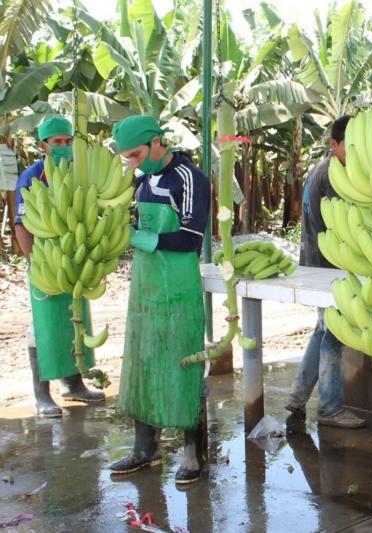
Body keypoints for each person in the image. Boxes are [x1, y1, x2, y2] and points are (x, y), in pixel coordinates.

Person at [108, 115, 211, 484]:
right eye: (128, 158)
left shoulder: (189, 178)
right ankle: (145, 450)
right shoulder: (140, 182)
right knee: (143, 363)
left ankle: (193, 455)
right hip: (145, 288)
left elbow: (190, 237)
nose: (133, 163)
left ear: (156, 143)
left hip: (178, 287)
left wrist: (141, 238)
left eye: (136, 155)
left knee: (182, 365)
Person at [13, 116, 105, 418]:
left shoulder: (79, 172)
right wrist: (34, 262)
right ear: (43, 146)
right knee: (44, 326)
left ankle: (73, 384)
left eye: (68, 141)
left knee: (75, 320)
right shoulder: (32, 176)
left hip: (75, 258)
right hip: (46, 261)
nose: (64, 146)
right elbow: (21, 224)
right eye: (58, 142)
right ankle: (42, 394)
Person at [285, 115, 366, 429]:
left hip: (319, 265)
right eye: (350, 146)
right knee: (335, 334)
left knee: (323, 331)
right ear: (334, 144)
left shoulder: (323, 169)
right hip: (329, 267)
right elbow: (346, 226)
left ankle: (297, 396)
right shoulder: (333, 175)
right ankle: (330, 407)